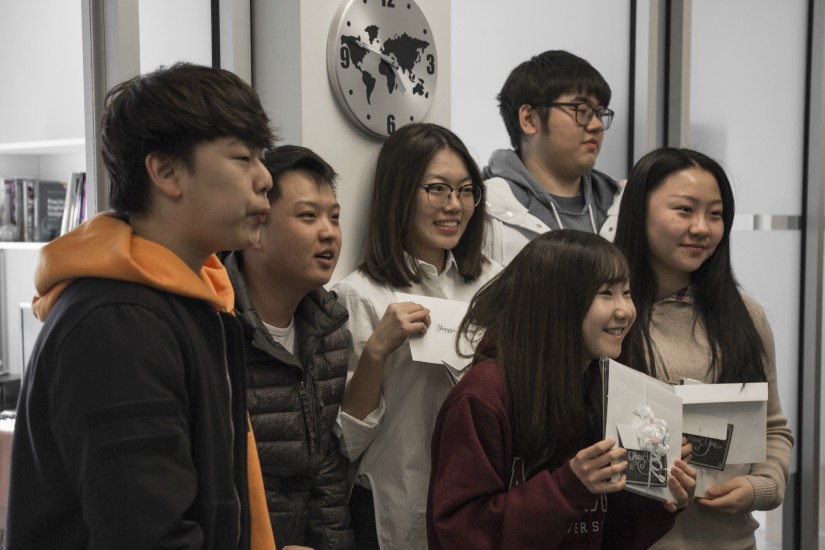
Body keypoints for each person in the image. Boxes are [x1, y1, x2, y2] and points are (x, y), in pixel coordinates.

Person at [6, 63, 277, 550]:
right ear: (166, 171)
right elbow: (148, 534)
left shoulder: (194, 302)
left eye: (263, 157)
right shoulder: (119, 321)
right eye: (242, 158)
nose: (265, 180)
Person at [427, 230, 696, 549]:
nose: (625, 310)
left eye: (627, 292)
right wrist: (567, 488)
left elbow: (611, 533)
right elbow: (460, 533)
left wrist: (661, 499)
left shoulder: (608, 388)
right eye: (606, 293)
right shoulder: (483, 396)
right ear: (557, 300)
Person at [613, 147, 794, 548]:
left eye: (715, 214)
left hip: (731, 540)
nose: (703, 228)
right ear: (638, 212)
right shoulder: (608, 315)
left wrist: (762, 484)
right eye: (684, 210)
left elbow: (773, 426)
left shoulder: (745, 316)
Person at [333, 122, 501, 550]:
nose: (455, 205)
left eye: (466, 191)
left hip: (482, 497)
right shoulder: (358, 295)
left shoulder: (494, 284)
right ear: (399, 192)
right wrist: (375, 353)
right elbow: (346, 440)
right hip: (398, 498)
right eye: (438, 189)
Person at [222, 145, 355, 549]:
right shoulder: (216, 327)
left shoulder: (330, 329)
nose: (329, 232)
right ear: (255, 230)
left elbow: (325, 469)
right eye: (308, 216)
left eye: (334, 217)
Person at [483, 50, 623, 265]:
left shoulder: (624, 201)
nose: (596, 125)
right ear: (529, 119)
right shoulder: (482, 205)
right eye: (582, 110)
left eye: (600, 113)